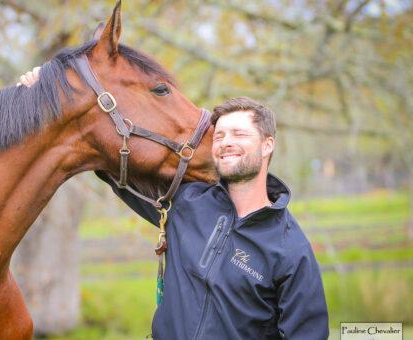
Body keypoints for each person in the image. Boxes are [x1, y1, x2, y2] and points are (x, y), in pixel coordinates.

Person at [18, 70, 329, 339]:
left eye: (239, 134)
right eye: (219, 136)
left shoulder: (291, 249)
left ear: (267, 145)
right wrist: (49, 92)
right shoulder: (186, 202)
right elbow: (111, 158)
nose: (225, 142)